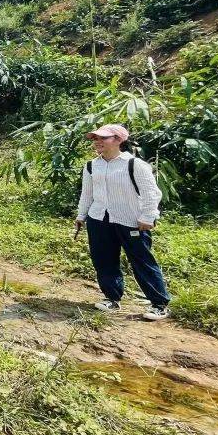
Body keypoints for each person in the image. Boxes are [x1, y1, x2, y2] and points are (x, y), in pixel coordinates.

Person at [75, 123, 169, 321]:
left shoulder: (134, 165)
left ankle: (159, 303)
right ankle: (112, 298)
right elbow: (87, 194)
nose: (97, 142)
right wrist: (81, 216)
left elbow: (152, 194)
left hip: (131, 221)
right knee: (104, 260)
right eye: (95, 139)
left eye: (102, 138)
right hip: (99, 219)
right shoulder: (92, 166)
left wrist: (148, 216)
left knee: (142, 260)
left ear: (118, 140)